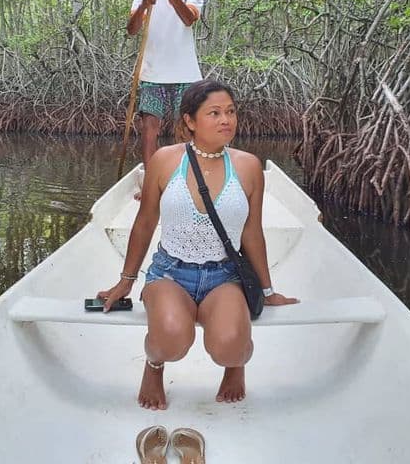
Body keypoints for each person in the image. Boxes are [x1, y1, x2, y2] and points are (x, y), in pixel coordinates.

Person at [98, 79, 298, 410]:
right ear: (190, 121)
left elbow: (251, 233)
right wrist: (126, 280)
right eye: (214, 113)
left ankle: (235, 365)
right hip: (170, 274)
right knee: (171, 340)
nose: (226, 120)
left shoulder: (248, 166)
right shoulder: (165, 160)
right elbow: (145, 223)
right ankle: (154, 365)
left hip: (224, 277)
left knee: (231, 346)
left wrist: (267, 290)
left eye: (231, 112)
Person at [127, 0, 204, 178]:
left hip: (186, 74)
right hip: (153, 72)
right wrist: (144, 4)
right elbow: (132, 29)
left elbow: (189, 19)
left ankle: (186, 178)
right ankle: (152, 180)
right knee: (150, 129)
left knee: (186, 129)